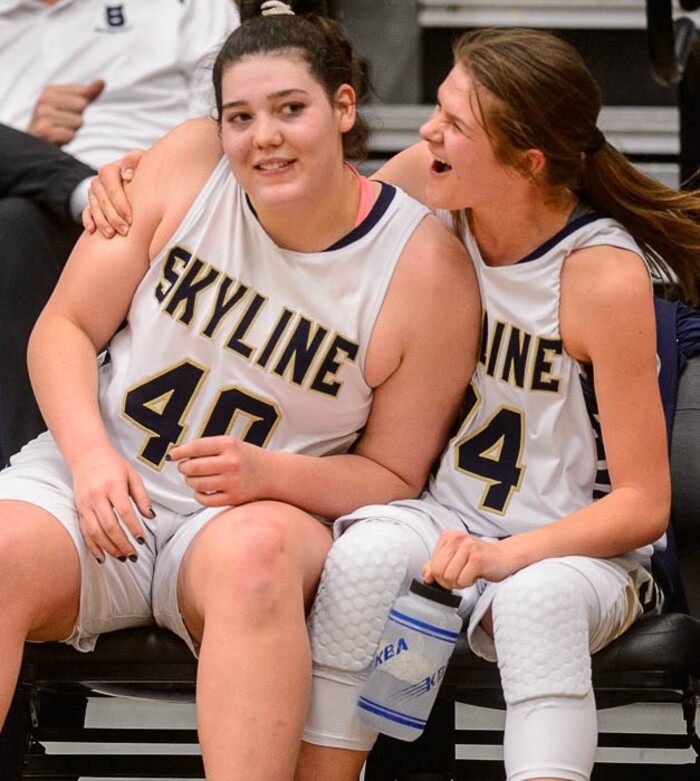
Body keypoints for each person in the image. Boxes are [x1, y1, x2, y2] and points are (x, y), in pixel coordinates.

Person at [83, 24, 700, 781]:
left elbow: (644, 503)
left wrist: (503, 556)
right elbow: (324, 188)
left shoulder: (600, 274)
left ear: (526, 161)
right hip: (444, 516)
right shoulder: (434, 184)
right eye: (436, 108)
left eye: (454, 124)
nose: (427, 131)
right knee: (367, 556)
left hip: (567, 541)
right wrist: (140, 172)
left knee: (536, 604)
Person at [0, 2, 479, 780]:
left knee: (255, 560)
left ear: (343, 107)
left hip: (252, 513)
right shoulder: (187, 162)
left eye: (291, 109)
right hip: (105, 482)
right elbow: (63, 329)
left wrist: (270, 475)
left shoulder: (425, 269)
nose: (264, 137)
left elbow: (393, 477)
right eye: (240, 116)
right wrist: (89, 459)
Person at [0, 0, 239, 459]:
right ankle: (25, 469)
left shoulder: (185, 5)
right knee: (12, 223)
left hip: (159, 198)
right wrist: (31, 137)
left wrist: (155, 178)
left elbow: (231, 114)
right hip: (34, 209)